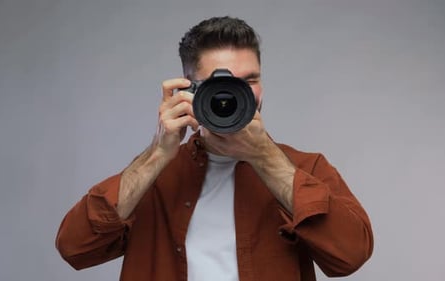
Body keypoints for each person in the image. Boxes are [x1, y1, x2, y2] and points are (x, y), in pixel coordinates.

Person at [56, 16, 373, 281]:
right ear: (186, 89)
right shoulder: (155, 176)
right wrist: (157, 154)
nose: (232, 94)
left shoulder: (306, 168)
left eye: (248, 80)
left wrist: (264, 157)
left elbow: (350, 256)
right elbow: (75, 249)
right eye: (218, 84)